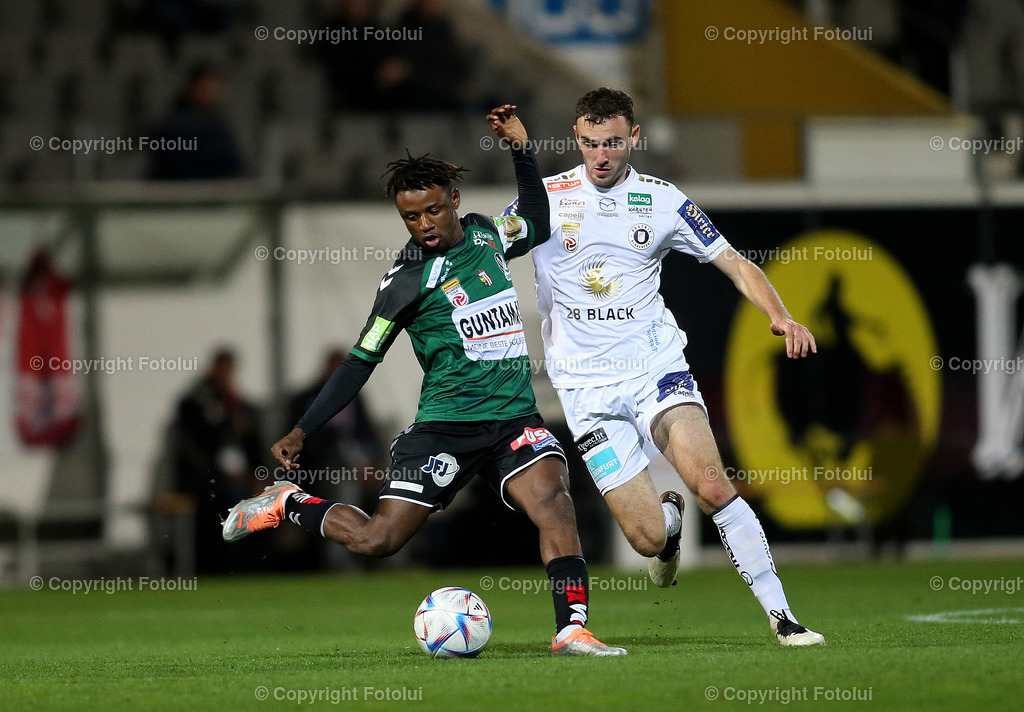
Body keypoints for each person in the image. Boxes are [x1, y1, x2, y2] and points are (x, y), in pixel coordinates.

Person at [222, 105, 627, 657]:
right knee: (377, 540)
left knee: (555, 500)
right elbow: (361, 360)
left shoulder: (486, 235)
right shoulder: (405, 283)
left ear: (454, 202)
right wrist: (304, 428)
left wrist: (520, 150)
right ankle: (286, 503)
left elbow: (538, 221)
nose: (425, 225)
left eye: (433, 211)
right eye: (411, 218)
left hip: (513, 420)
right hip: (445, 429)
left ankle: (571, 628)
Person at [504, 88, 825, 646]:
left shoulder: (662, 200)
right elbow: (485, 247)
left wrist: (781, 315)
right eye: (588, 144)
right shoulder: (546, 200)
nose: (600, 156)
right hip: (586, 391)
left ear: (633, 139)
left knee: (711, 483)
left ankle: (784, 617)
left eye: (611, 143)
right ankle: (669, 527)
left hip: (656, 369)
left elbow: (733, 260)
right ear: (576, 140)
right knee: (647, 540)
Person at [173, 348, 265, 573]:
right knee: (232, 501)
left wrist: (257, 475)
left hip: (240, 476)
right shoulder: (195, 403)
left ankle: (258, 565)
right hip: (209, 478)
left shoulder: (239, 405)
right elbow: (190, 448)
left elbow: (255, 445)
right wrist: (219, 472)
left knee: (267, 501)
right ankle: (231, 566)